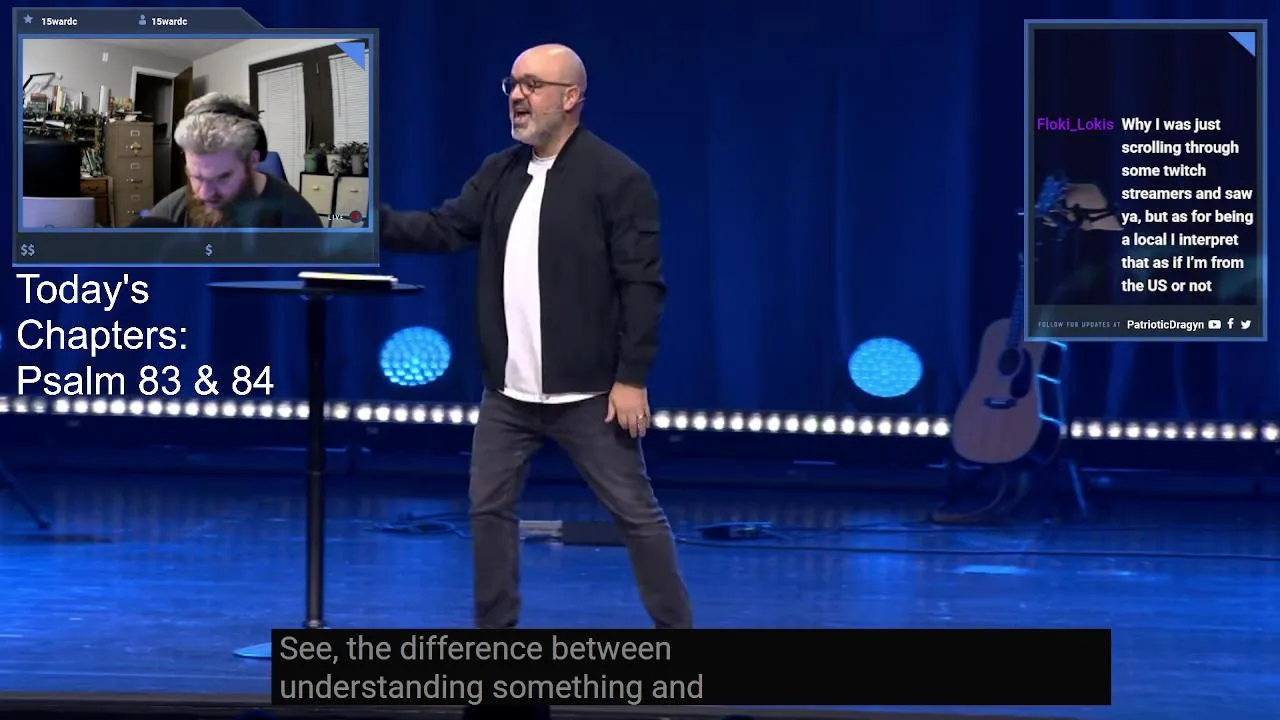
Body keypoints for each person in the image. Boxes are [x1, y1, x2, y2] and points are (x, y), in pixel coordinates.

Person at [380, 44, 693, 630]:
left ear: (571, 98)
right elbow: (441, 228)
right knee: (488, 511)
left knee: (636, 514)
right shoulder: (500, 171)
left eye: (533, 85)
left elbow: (642, 284)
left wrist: (631, 378)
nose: (518, 97)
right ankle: (496, 640)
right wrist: (358, 222)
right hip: (508, 396)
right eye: (513, 85)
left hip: (589, 396)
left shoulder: (617, 178)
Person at [148, 93, 322, 229]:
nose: (204, 194)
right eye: (196, 177)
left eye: (222, 177)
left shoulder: (298, 220)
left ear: (252, 161)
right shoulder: (171, 212)